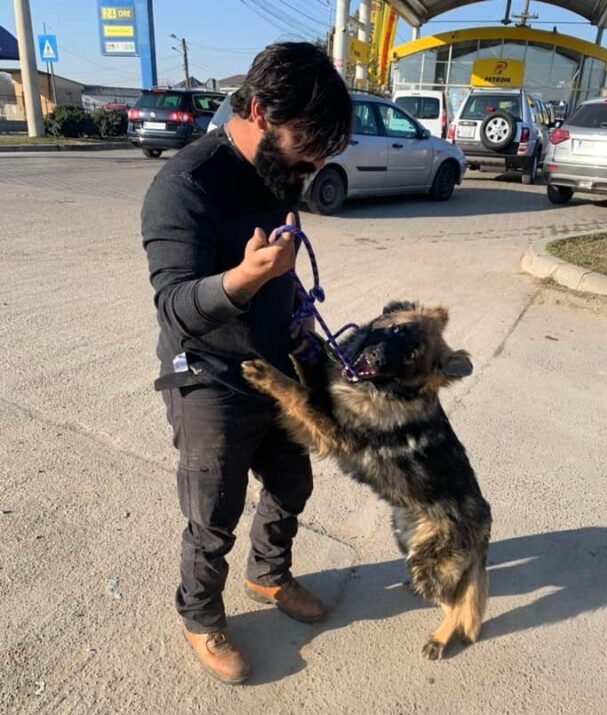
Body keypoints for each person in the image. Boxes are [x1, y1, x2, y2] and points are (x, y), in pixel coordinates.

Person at [141, 42, 352, 684]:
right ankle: (201, 615)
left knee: (292, 484)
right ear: (258, 110)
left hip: (274, 365)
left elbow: (286, 277)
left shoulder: (278, 171)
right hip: (206, 373)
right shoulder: (183, 186)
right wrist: (243, 279)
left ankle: (269, 576)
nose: (312, 165)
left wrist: (300, 334)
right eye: (305, 146)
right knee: (213, 513)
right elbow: (176, 306)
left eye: (323, 153)